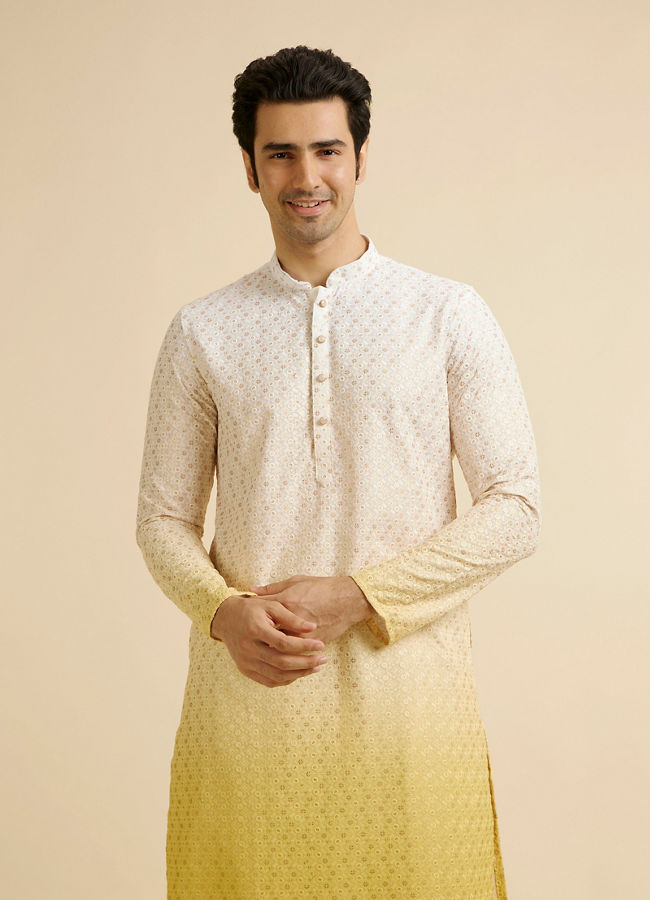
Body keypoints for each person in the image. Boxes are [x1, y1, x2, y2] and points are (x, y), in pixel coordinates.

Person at [135, 45, 541, 900]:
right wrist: (223, 612)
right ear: (249, 168)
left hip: (412, 712)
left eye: (327, 150)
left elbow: (515, 508)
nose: (306, 176)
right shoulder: (203, 330)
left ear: (360, 158)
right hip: (250, 704)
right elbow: (163, 520)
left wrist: (359, 594)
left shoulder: (447, 314)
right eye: (280, 153)